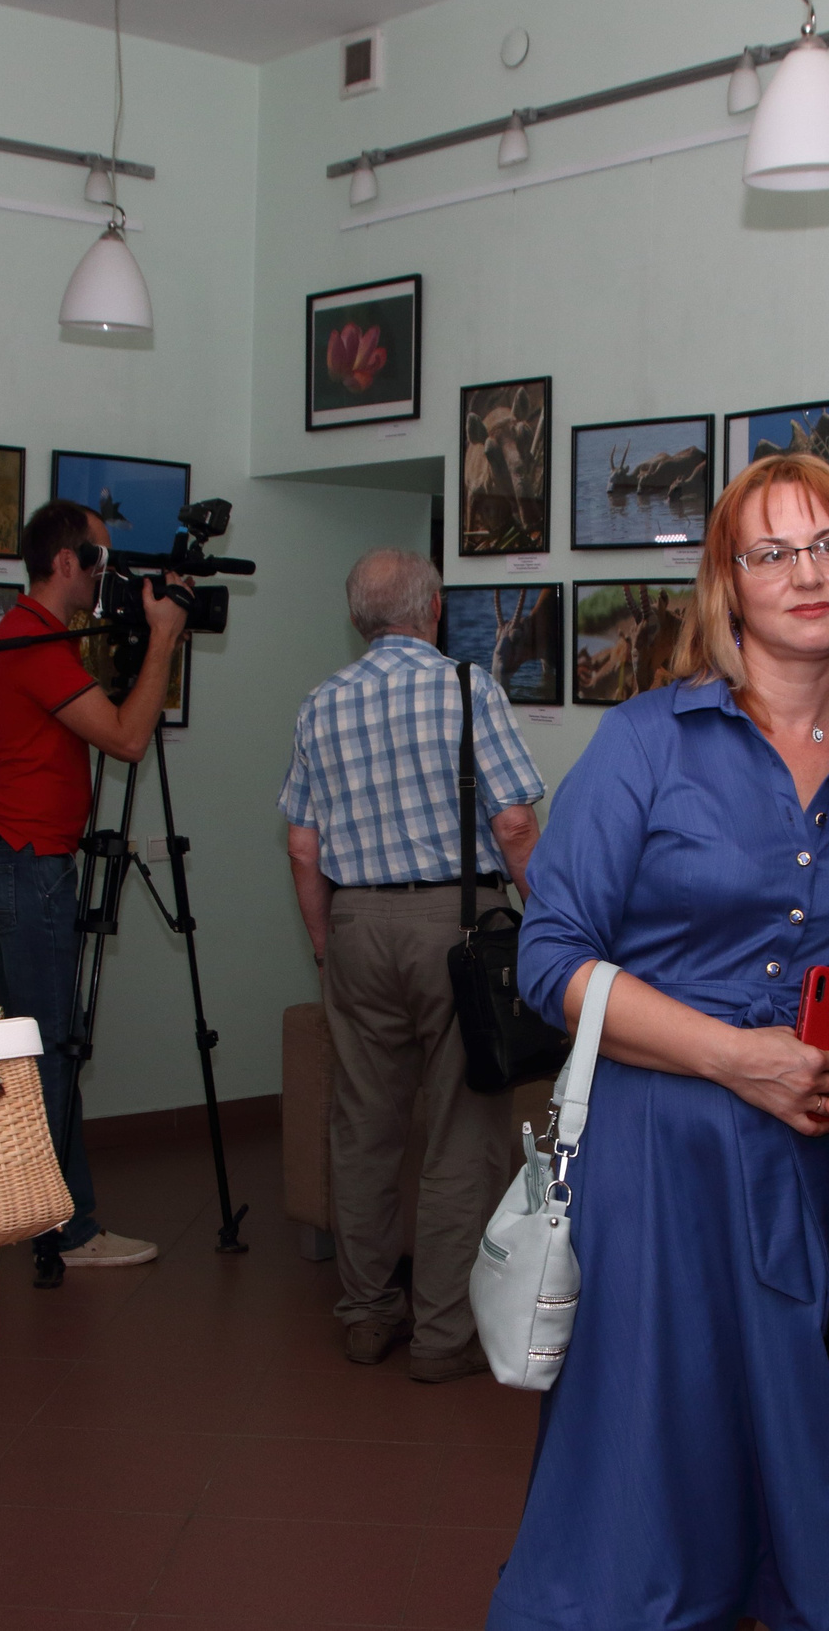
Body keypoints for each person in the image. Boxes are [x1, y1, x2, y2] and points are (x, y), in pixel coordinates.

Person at [493, 454, 829, 1631]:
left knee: (805, 1459)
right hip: (662, 1156)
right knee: (650, 1469)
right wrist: (735, 1058)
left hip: (819, 1160)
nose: (806, 574)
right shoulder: (647, 742)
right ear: (728, 584)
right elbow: (550, 959)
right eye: (771, 553)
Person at [280, 547, 546, 1381]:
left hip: (357, 923)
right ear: (432, 609)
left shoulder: (321, 701)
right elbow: (511, 825)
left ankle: (364, 1315)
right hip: (456, 927)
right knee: (462, 1137)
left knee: (361, 1128)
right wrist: (548, 917)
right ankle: (441, 1335)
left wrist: (327, 937)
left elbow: (301, 842)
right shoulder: (468, 687)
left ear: (361, 618)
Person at [0, 497, 187, 1284]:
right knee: (48, 1050)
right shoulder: (32, 640)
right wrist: (163, 638)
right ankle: (69, 1228)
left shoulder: (30, 634)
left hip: (13, 858)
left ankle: (8, 1204)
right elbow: (129, 739)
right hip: (28, 865)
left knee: (8, 1049)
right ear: (66, 563)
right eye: (98, 561)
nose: (105, 577)